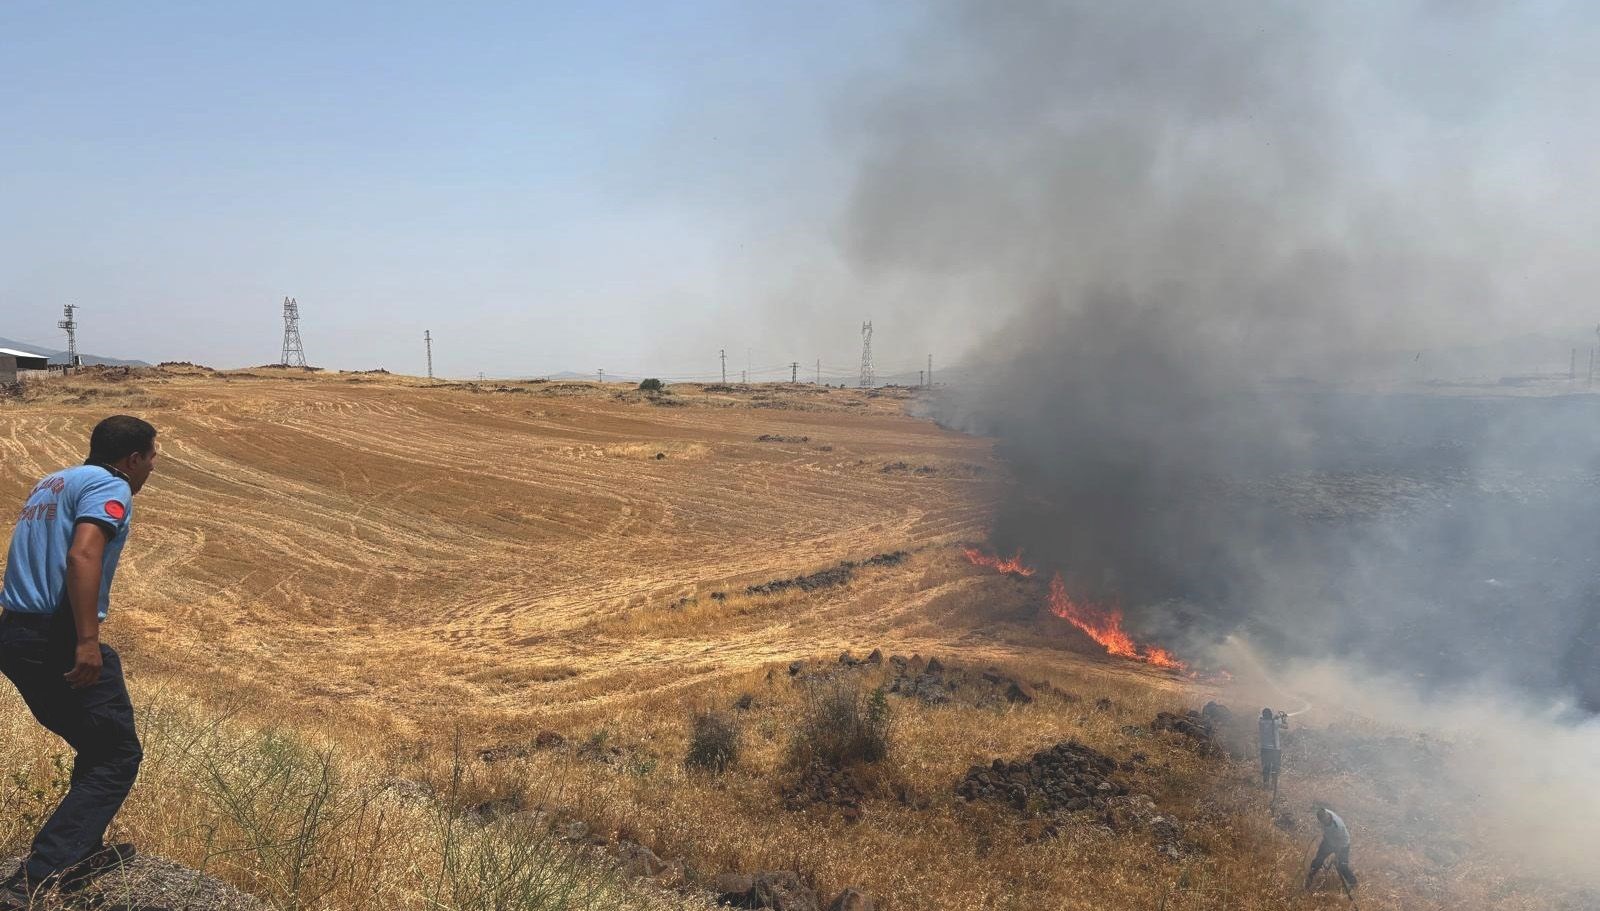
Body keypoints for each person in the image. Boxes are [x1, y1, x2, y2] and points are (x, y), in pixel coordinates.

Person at [0, 416, 159, 908]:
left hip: (15, 630)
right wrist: (87, 641)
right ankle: (38, 876)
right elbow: (82, 556)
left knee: (95, 741)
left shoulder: (53, 481)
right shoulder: (112, 486)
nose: (153, 467)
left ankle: (78, 850)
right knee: (117, 755)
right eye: (152, 457)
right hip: (58, 635)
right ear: (132, 460)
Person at [1306, 806, 1358, 892]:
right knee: (1318, 859)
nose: (1326, 821)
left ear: (1328, 816)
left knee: (1342, 866)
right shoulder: (1323, 812)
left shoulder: (1337, 826)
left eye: (1326, 820)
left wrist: (1336, 856)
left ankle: (1353, 883)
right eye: (1323, 821)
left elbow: (1339, 843)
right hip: (1328, 840)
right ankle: (1309, 878)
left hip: (1342, 844)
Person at [1258, 707, 1286, 790]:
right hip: (1275, 749)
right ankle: (1274, 786)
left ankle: (1266, 785)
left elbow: (1260, 717)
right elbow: (1286, 726)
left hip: (1264, 749)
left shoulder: (1261, 722)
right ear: (1270, 715)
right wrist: (1283, 719)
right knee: (1275, 768)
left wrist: (1274, 718)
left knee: (1266, 767)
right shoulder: (1276, 722)